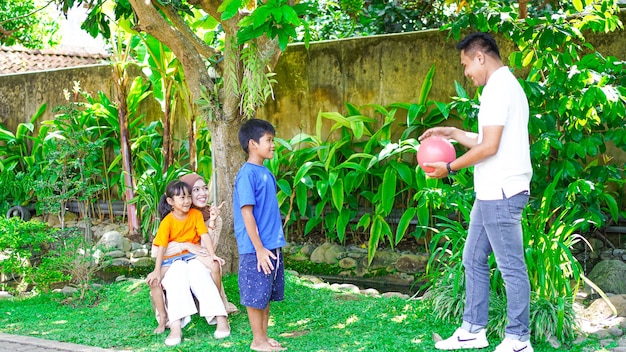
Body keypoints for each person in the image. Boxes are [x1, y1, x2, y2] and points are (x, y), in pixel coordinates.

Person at [419, 32, 533, 352]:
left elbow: (490, 147)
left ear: (480, 57)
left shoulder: (498, 88)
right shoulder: (502, 86)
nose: (466, 72)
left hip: (502, 192)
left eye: (466, 64)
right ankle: (472, 330)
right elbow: (488, 139)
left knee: (511, 267)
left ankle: (518, 340)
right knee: (472, 258)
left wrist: (450, 168)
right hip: (490, 193)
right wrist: (453, 132)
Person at [146, 180, 230, 346]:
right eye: (182, 197)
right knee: (174, 277)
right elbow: (160, 248)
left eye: (188, 197)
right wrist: (157, 270)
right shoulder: (167, 221)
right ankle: (172, 324)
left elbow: (205, 236)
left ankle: (221, 317)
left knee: (202, 272)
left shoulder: (198, 215)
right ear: (170, 201)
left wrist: (213, 255)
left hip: (193, 258)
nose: (187, 201)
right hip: (173, 260)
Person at [234, 119, 288, 352]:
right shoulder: (247, 174)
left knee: (265, 295)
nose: (273, 145)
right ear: (253, 144)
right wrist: (258, 248)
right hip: (256, 248)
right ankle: (257, 341)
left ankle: (264, 338)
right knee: (255, 295)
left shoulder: (265, 172)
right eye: (269, 140)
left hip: (271, 245)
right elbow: (247, 213)